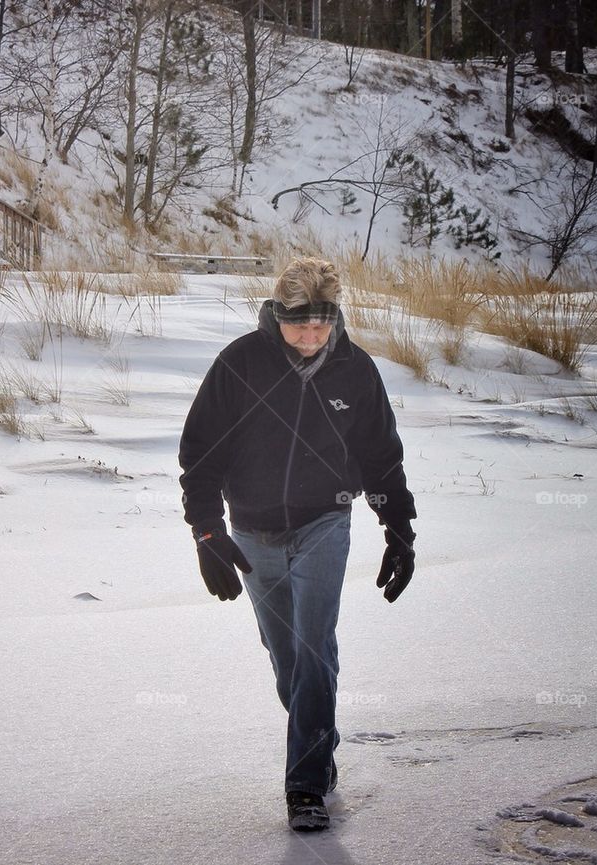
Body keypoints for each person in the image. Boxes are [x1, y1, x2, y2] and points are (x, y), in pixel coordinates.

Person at [178, 257, 417, 832]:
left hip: (324, 524)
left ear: (334, 318)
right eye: (299, 325)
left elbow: (382, 459)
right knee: (286, 659)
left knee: (313, 649)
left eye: (321, 326)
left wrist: (398, 530)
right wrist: (207, 532)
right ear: (276, 315)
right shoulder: (239, 364)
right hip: (252, 530)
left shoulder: (355, 372)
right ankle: (320, 734)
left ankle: (305, 786)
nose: (311, 338)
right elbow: (200, 455)